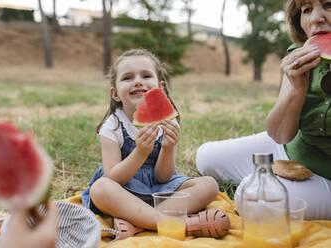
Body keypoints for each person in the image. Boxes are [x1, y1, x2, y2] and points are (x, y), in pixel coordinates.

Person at [196, 0, 331, 220]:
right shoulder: (299, 55)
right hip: (290, 150)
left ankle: (269, 184)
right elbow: (279, 135)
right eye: (307, 10)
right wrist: (297, 88)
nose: (316, 18)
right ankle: (271, 181)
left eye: (329, 5)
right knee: (205, 157)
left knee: (251, 199)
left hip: (326, 177)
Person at [81, 49, 228, 239]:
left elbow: (163, 177)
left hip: (160, 190)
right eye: (127, 78)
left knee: (209, 185)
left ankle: (140, 223)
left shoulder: (168, 121)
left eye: (146, 75)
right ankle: (180, 223)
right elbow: (114, 178)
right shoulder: (112, 126)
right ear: (115, 93)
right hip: (125, 191)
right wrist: (140, 152)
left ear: (160, 86)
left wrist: (167, 148)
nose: (137, 81)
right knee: (100, 189)